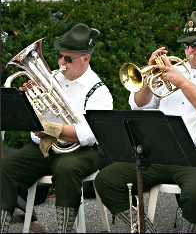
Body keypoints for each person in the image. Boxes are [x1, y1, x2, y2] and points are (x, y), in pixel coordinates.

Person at [95, 10, 196, 232]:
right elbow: (138, 105)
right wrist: (147, 80)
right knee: (108, 179)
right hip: (164, 152)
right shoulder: (175, 72)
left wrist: (184, 83)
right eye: (186, 45)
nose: (190, 51)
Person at [0, 23, 113, 233]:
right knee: (6, 167)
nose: (62, 63)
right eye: (60, 56)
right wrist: (31, 106)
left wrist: (51, 129)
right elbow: (37, 130)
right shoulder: (51, 79)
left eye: (68, 59)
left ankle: (63, 230)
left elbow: (88, 135)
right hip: (47, 147)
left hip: (84, 152)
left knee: (66, 168)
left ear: (86, 58)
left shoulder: (99, 91)